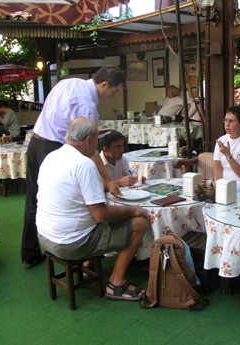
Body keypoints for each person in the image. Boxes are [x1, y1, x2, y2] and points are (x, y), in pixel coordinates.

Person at [21, 65, 125, 268]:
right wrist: (109, 179)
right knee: (70, 197)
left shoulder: (68, 82)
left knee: (36, 198)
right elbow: (90, 149)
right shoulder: (88, 107)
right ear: (104, 84)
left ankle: (29, 252)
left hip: (35, 143)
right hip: (53, 147)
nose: (114, 95)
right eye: (115, 90)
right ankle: (77, 245)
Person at [36, 118, 149, 301]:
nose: (96, 146)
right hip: (71, 243)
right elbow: (100, 215)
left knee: (117, 216)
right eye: (96, 141)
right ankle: (116, 283)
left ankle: (90, 267)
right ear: (88, 140)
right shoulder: (84, 164)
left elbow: (75, 192)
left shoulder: (51, 157)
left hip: (45, 236)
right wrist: (132, 209)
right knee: (140, 222)